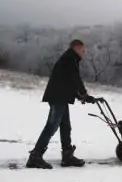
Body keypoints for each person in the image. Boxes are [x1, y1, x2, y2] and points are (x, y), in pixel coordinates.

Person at [26, 39, 96, 169]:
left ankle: (67, 156)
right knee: (51, 126)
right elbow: (75, 79)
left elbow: (68, 82)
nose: (84, 53)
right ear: (76, 48)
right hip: (58, 98)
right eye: (82, 50)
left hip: (61, 97)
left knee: (65, 126)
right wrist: (84, 94)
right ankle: (35, 156)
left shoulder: (70, 59)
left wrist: (81, 96)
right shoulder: (70, 59)